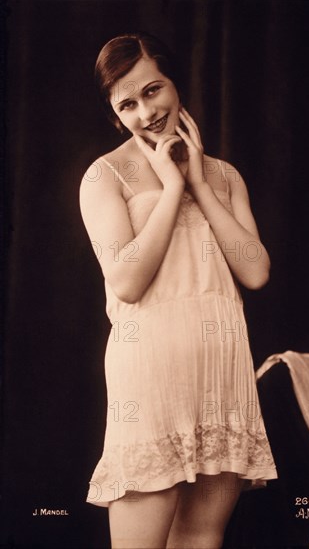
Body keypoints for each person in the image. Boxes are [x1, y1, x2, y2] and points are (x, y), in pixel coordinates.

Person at [79, 31, 277, 549]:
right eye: (127, 104)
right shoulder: (105, 176)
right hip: (150, 379)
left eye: (153, 90)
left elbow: (255, 271)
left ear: (174, 85)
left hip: (221, 373)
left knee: (200, 540)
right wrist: (169, 188)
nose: (146, 112)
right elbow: (126, 281)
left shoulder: (224, 176)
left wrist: (199, 185)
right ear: (114, 113)